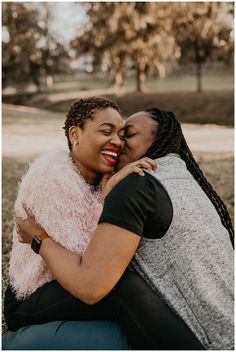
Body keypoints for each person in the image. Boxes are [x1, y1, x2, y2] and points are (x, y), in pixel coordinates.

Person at [9, 108, 234, 349]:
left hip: (200, 340)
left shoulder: (136, 185)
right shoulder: (184, 180)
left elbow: (90, 284)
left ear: (156, 139)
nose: (118, 141)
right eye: (114, 133)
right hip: (226, 331)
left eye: (128, 133)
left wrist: (37, 237)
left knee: (121, 286)